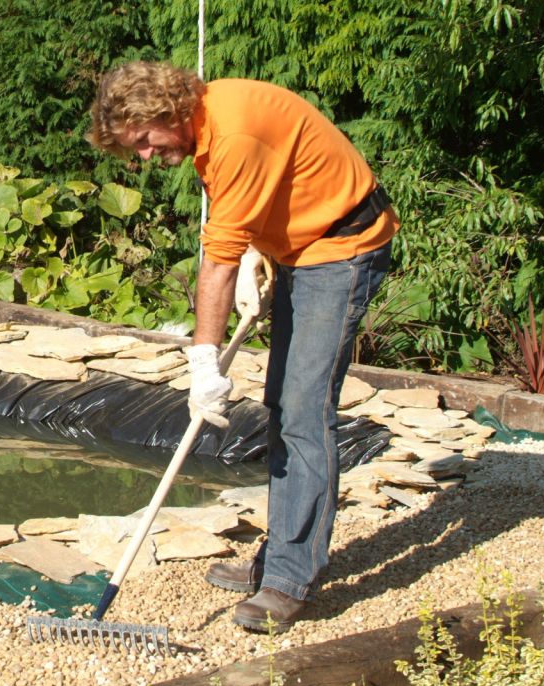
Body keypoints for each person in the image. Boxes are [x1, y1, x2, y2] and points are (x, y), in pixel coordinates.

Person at [87, 61, 399, 633]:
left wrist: (203, 363)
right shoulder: (208, 120)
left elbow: (216, 262)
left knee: (304, 411)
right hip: (300, 244)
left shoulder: (230, 132)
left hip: (342, 246)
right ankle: (277, 560)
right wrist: (262, 249)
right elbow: (261, 189)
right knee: (284, 406)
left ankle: (288, 580)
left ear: (164, 112)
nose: (146, 157)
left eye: (145, 142)